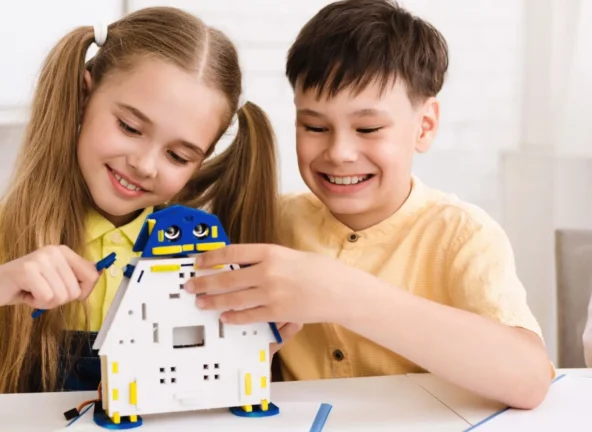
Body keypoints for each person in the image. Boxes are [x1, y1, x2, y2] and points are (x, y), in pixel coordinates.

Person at [0, 6, 299, 395]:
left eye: (178, 154)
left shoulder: (200, 255)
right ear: (82, 96)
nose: (145, 164)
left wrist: (253, 348)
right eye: (130, 128)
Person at [185, 0, 552, 409]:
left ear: (425, 126)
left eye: (368, 128)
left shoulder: (462, 236)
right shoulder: (271, 220)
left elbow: (530, 379)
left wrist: (343, 293)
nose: (339, 152)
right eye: (315, 126)